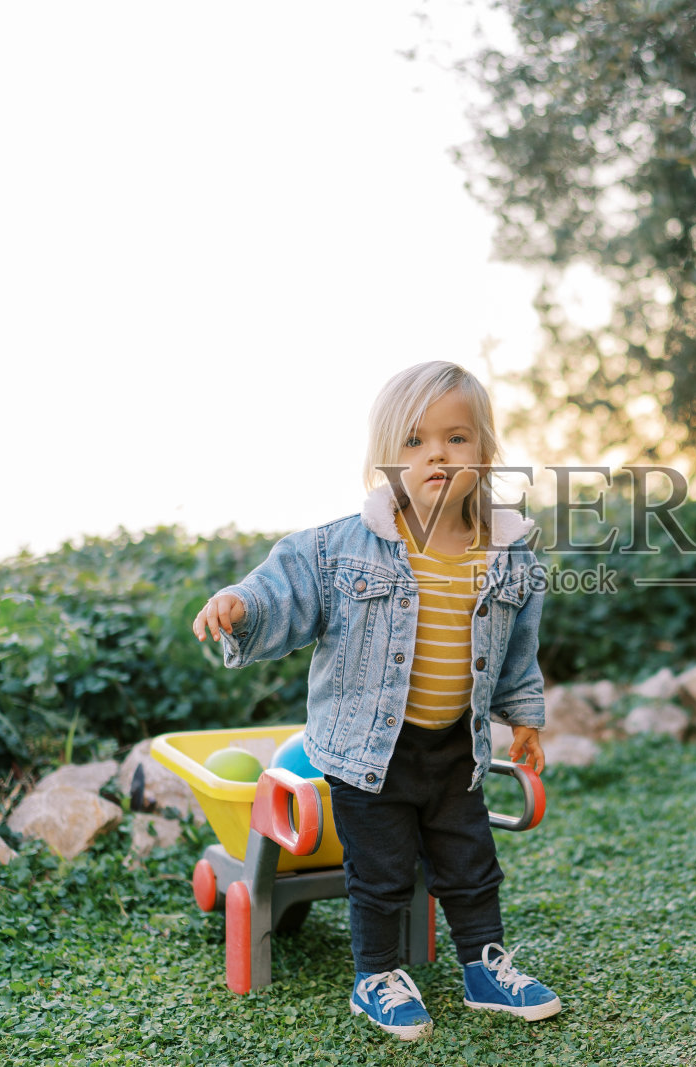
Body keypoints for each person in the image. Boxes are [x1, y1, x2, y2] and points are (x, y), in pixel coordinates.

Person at [192, 361, 561, 1040]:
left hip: (456, 745)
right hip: (369, 749)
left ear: (485, 453)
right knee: (381, 869)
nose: (436, 455)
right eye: (415, 441)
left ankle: (483, 966)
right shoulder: (342, 546)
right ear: (386, 460)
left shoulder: (510, 554)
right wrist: (242, 605)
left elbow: (516, 651)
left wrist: (524, 719)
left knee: (471, 862)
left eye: (456, 438)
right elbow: (284, 590)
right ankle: (376, 976)